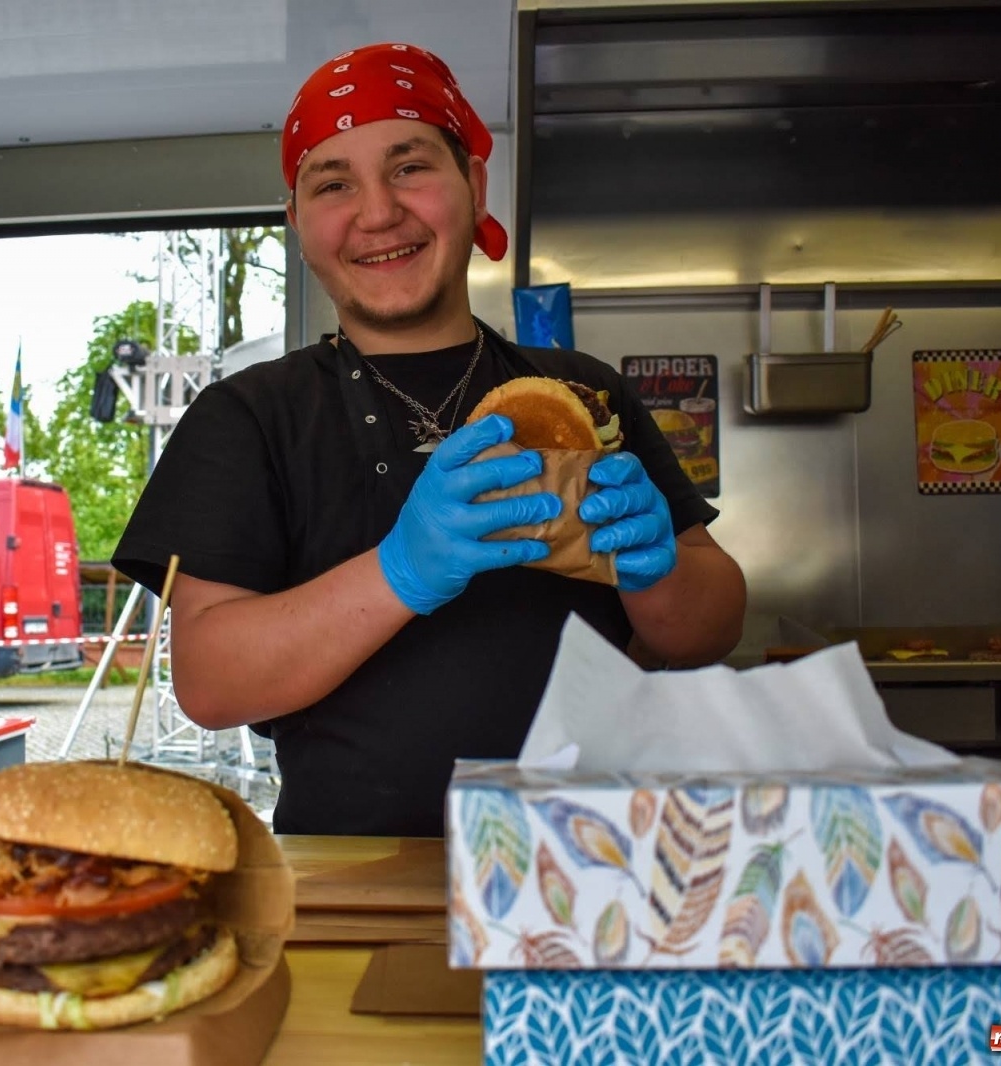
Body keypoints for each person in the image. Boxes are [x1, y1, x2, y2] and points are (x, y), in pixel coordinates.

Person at [113, 42, 746, 837]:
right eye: (334, 183)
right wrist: (400, 571)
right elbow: (208, 685)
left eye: (409, 167)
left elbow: (711, 631)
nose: (377, 212)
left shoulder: (585, 395)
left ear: (474, 187)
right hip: (348, 881)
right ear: (299, 224)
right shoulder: (246, 418)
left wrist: (657, 574)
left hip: (595, 861)